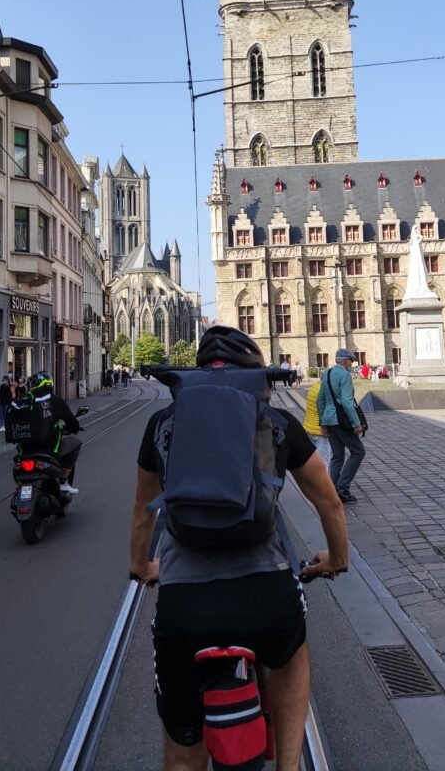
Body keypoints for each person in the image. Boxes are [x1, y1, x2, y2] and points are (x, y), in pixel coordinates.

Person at [130, 325, 348, 771]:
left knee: (181, 754)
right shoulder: (279, 424)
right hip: (265, 598)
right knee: (291, 654)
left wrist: (142, 566)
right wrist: (336, 560)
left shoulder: (162, 424)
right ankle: (289, 765)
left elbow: (141, 512)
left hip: (184, 606)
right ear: (255, 375)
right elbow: (329, 500)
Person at [17, 372, 83, 494]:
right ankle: (63, 481)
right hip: (49, 449)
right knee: (76, 443)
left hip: (25, 451)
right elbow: (72, 422)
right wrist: (74, 428)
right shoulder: (55, 401)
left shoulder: (23, 402)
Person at [317, 348, 366, 504]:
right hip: (341, 420)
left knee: (337, 456)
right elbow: (346, 401)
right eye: (350, 361)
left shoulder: (327, 374)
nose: (351, 364)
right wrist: (356, 423)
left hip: (329, 420)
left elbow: (320, 400)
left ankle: (331, 488)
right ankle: (342, 487)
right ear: (345, 361)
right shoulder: (344, 375)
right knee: (358, 451)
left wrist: (322, 422)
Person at [303, 378, 331, 469]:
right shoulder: (323, 391)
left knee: (313, 458)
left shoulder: (314, 387)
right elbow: (324, 411)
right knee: (324, 460)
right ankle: (323, 482)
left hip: (309, 427)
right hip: (320, 430)